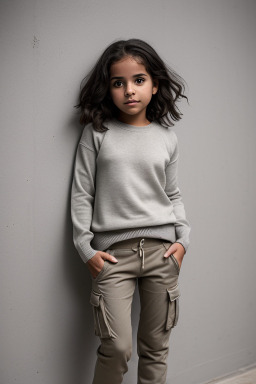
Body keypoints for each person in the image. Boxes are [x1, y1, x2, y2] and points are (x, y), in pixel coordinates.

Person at [71, 38, 191, 384]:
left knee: (155, 348)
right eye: (117, 82)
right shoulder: (97, 133)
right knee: (117, 347)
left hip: (162, 251)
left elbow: (173, 194)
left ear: (154, 85)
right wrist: (85, 249)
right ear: (108, 88)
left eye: (138, 80)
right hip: (112, 257)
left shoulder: (167, 138)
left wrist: (184, 241)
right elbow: (82, 193)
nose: (129, 90)